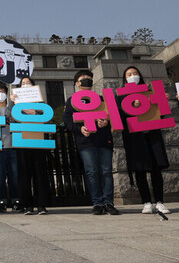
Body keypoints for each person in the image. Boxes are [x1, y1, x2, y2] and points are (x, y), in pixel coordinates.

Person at [63, 71, 119, 215]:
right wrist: (79, 128)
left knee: (106, 171)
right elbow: (67, 121)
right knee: (91, 172)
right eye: (83, 79)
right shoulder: (71, 101)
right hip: (85, 141)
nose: (87, 81)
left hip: (103, 140)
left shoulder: (101, 99)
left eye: (89, 78)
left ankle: (108, 202)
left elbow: (112, 117)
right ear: (77, 83)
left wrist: (106, 122)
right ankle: (97, 203)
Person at [119, 66, 170, 215]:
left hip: (152, 135)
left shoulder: (150, 92)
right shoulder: (120, 97)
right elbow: (120, 118)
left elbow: (161, 116)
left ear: (140, 76)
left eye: (135, 73)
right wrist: (131, 107)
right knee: (140, 170)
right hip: (135, 138)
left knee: (156, 169)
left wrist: (163, 102)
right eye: (128, 74)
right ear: (124, 78)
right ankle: (147, 202)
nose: (132, 76)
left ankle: (160, 202)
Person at [12, 77, 51, 215]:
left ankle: (42, 205)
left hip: (39, 142)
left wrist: (36, 113)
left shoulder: (41, 103)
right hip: (23, 142)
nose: (25, 85)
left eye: (28, 83)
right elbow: (11, 119)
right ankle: (27, 205)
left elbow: (48, 118)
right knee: (24, 173)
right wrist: (14, 103)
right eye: (23, 83)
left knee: (40, 173)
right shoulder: (15, 104)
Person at [0, 84, 20, 212]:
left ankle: (16, 201)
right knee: (0, 176)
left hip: (13, 146)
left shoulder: (11, 109)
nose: (1, 93)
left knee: (14, 176)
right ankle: (1, 201)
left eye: (3, 91)